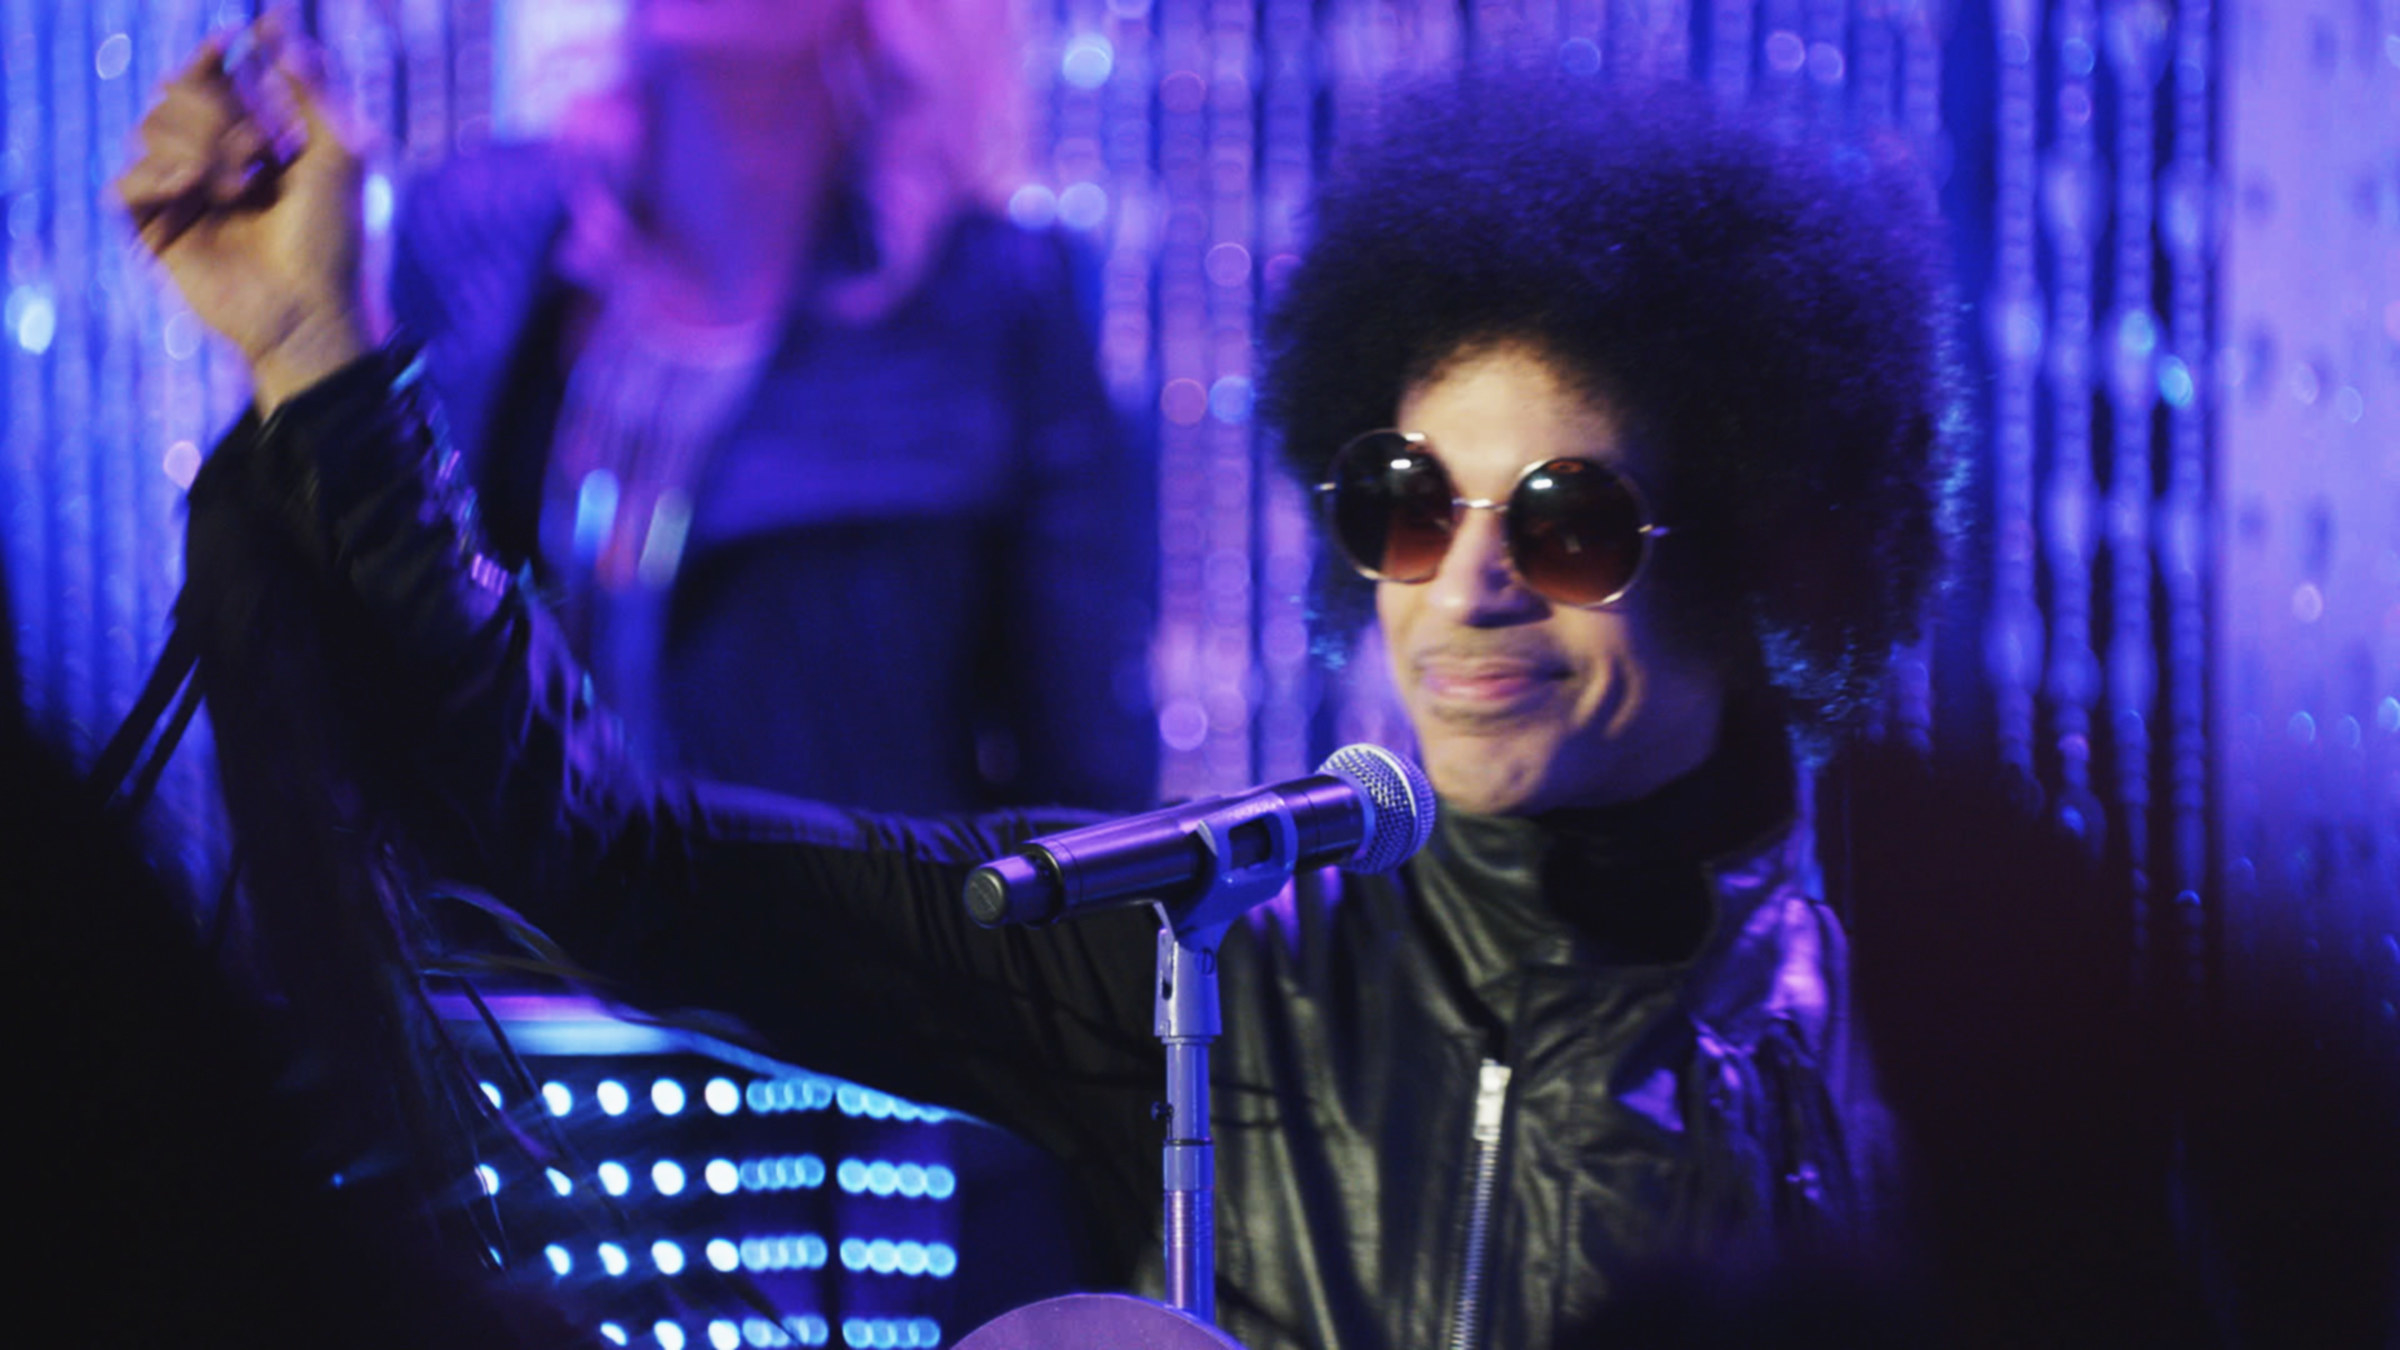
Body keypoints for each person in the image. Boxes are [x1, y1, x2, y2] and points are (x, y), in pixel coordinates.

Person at [117, 24, 1958, 1350]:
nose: (1465, 582)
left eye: (1562, 521)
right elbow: (605, 854)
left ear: (1751, 555)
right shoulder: (1207, 964)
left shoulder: (1917, 1063)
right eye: (1407, 504)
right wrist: (322, 358)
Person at [390, 0, 1155, 813]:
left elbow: (1086, 776)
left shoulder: (994, 304)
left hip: (834, 889)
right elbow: (379, 641)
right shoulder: (476, 234)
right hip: (509, 886)